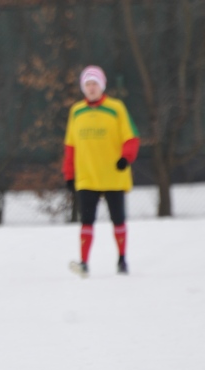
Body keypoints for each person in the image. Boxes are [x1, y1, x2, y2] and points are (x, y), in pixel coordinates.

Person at [63, 65, 140, 278]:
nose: (91, 88)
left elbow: (131, 137)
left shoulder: (116, 108)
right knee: (86, 221)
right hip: (87, 176)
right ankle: (84, 263)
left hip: (113, 175)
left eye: (95, 84)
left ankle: (122, 259)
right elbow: (70, 146)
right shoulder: (76, 111)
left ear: (102, 86)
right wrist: (69, 174)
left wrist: (126, 158)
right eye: (87, 84)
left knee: (118, 219)